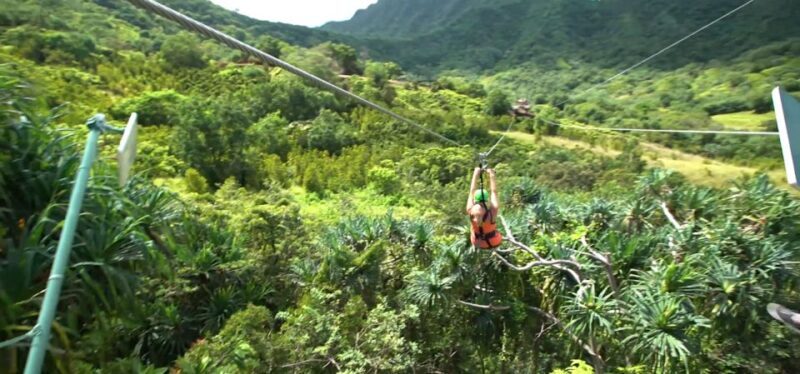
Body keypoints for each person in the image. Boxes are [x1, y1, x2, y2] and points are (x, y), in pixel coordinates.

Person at [467, 167, 502, 249]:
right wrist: (491, 175)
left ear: (475, 199)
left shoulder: (470, 209)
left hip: (477, 242)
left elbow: (472, 191)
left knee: (473, 228)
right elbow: (494, 191)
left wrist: (475, 174)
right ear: (486, 200)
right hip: (494, 241)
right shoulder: (493, 211)